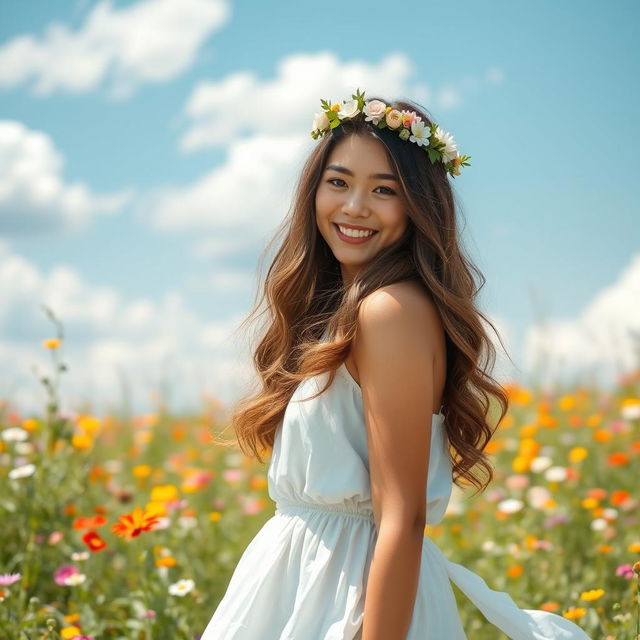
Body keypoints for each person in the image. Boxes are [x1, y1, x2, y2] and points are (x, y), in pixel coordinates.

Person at [200, 89, 591, 639]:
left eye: (384, 190)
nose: (354, 207)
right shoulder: (354, 310)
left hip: (349, 597)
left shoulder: (389, 312)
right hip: (305, 586)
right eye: (338, 182)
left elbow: (402, 518)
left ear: (419, 206)